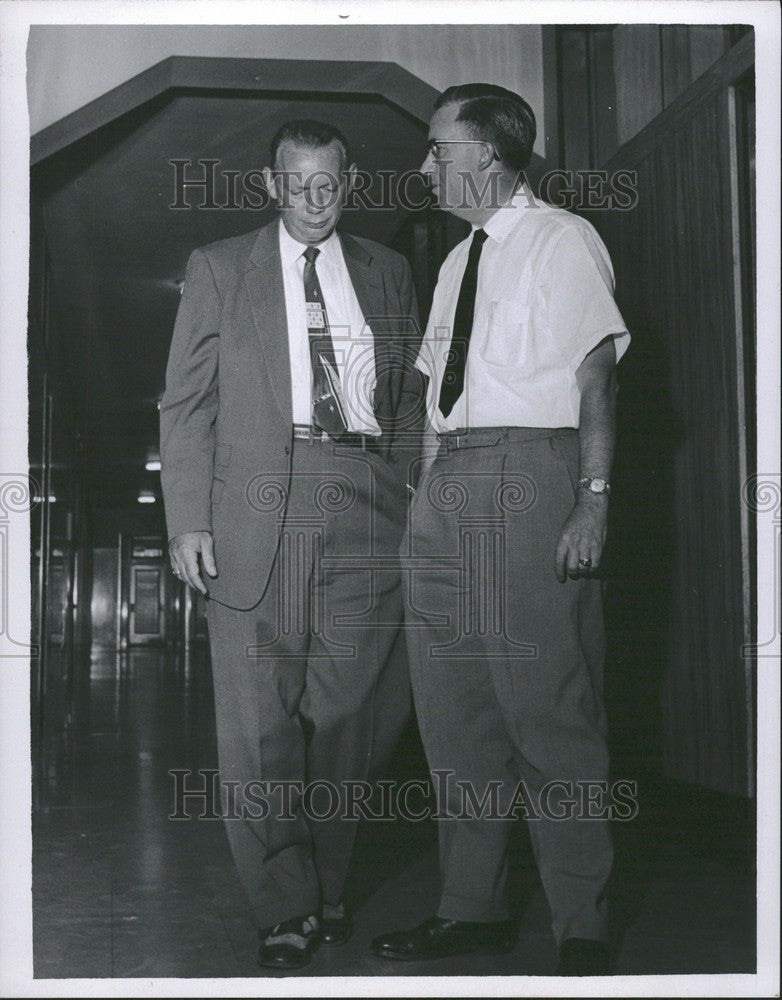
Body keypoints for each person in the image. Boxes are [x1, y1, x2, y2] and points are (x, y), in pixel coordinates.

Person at [371, 84, 630, 976]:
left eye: (438, 149)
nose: (426, 166)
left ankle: (581, 923)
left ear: (487, 154)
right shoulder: (452, 264)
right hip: (448, 482)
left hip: (533, 473)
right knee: (455, 716)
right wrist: (419, 488)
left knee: (549, 706)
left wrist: (592, 497)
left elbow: (598, 380)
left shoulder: (565, 241)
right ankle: (470, 908)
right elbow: (427, 395)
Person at [160, 120, 423, 970]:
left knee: (355, 715)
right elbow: (186, 403)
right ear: (271, 185)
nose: (313, 202)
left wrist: (416, 491)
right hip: (253, 508)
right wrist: (187, 518)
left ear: (350, 184)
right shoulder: (219, 268)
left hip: (368, 498)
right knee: (258, 721)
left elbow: (413, 400)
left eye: (329, 185)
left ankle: (329, 882)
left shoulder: (390, 271)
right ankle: (285, 904)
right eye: (295, 183)